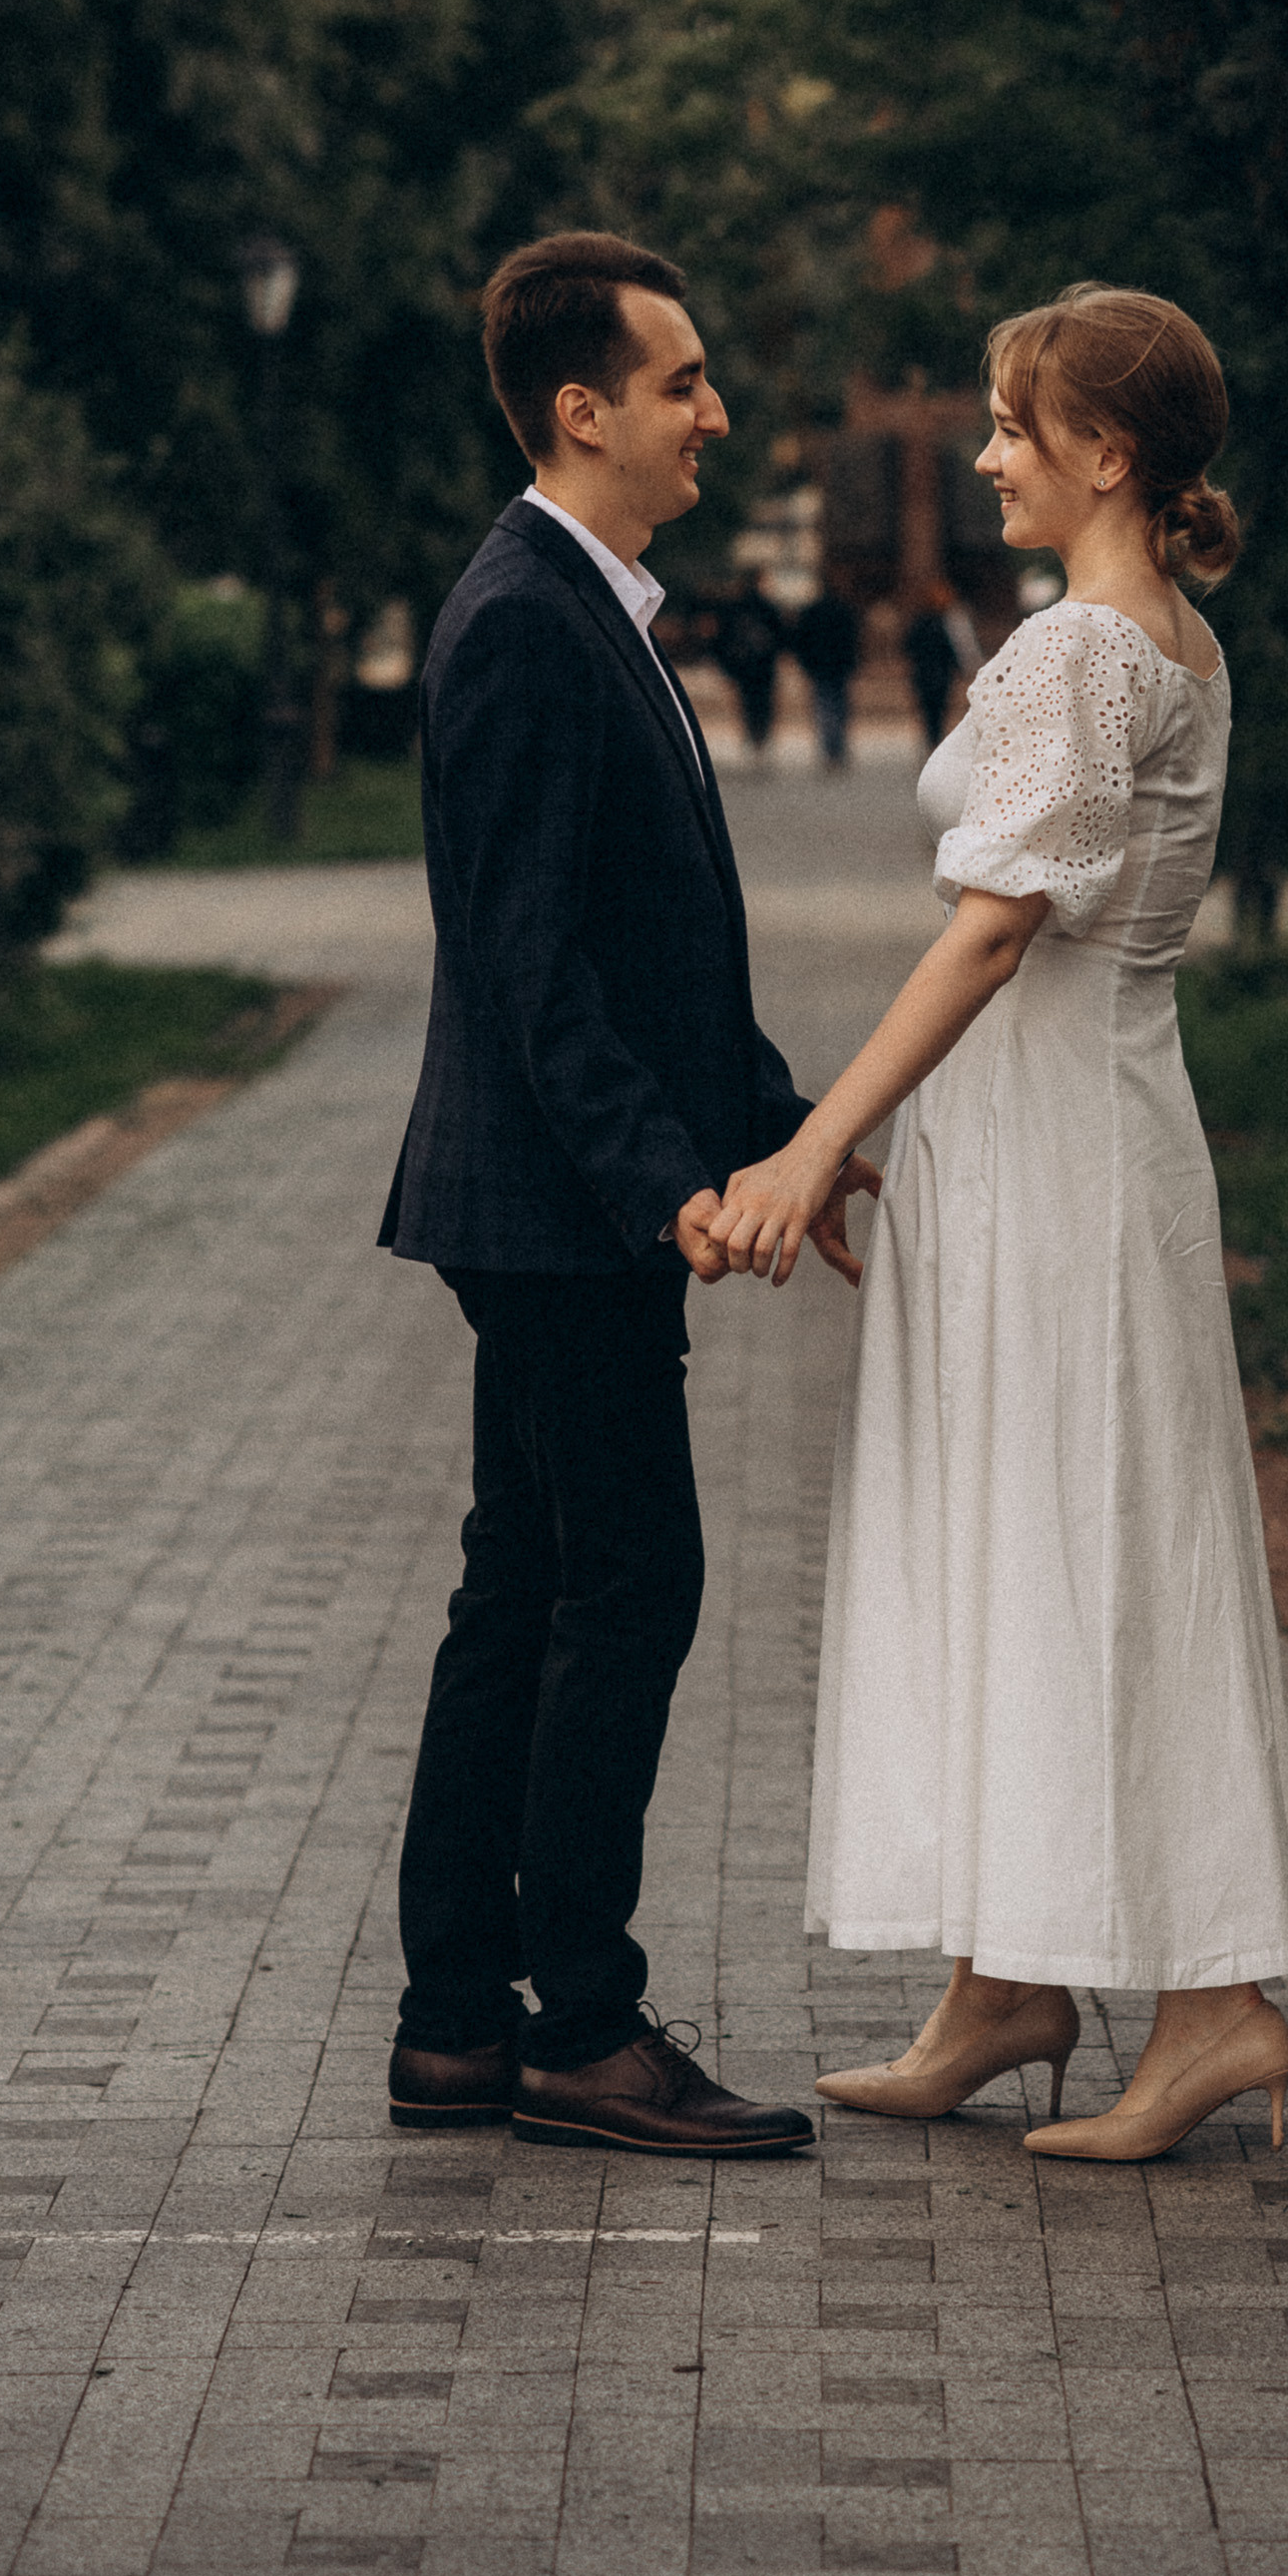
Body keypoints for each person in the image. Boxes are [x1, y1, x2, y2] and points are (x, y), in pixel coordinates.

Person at [708, 284, 1288, 2163]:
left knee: (1069, 1534)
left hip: (1054, 1149)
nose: (979, 456)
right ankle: (1007, 1981)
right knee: (1026, 1530)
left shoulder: (1080, 658)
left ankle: (1211, 2005)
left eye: (1009, 426)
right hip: (1082, 1130)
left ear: (1104, 453)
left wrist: (813, 1142)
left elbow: (989, 934)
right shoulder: (1170, 643)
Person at [378, 229, 878, 2159]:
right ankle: (580, 2026)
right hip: (553, 1210)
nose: (713, 414)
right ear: (581, 409)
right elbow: (530, 968)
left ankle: (452, 2026)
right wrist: (669, 1190)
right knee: (627, 1587)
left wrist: (780, 1138)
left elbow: (658, 953)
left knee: (522, 1592)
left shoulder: (588, 604)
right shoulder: (522, 614)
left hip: (552, 1202)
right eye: (683, 382)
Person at [787, 587, 862, 770]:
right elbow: (852, 638)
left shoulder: (812, 612)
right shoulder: (843, 610)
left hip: (819, 666)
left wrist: (805, 663)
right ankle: (837, 747)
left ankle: (830, 748)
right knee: (839, 707)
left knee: (824, 707)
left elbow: (801, 638)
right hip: (838, 666)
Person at [900, 582, 981, 752]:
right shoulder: (943, 624)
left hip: (924, 673)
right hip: (939, 674)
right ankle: (934, 740)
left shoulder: (921, 622)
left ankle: (932, 740)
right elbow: (952, 650)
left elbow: (908, 647)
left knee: (930, 710)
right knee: (938, 710)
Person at [714, 573, 785, 765]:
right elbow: (780, 635)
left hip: (743, 666)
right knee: (763, 703)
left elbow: (723, 638)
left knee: (747, 702)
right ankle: (761, 737)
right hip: (763, 666)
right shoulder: (767, 607)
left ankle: (752, 736)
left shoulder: (735, 608)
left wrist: (726, 665)